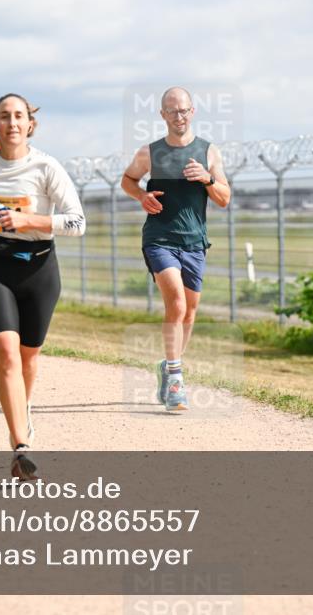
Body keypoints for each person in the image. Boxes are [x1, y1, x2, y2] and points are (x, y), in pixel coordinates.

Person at [0, 93, 85, 474]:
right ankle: (20, 446)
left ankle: (22, 413)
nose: (12, 123)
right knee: (6, 352)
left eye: (19, 117)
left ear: (30, 125)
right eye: (4, 117)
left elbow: (78, 223)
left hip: (40, 270)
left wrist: (31, 222)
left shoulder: (46, 167)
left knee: (28, 357)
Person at [121, 87, 231, 412]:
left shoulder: (209, 152)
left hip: (195, 241)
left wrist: (208, 179)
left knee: (190, 312)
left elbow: (225, 198)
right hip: (159, 237)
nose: (179, 116)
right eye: (172, 111)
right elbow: (127, 180)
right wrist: (141, 196)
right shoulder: (150, 153)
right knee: (177, 304)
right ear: (162, 115)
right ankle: (176, 378)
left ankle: (169, 364)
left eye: (183, 110)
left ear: (192, 111)